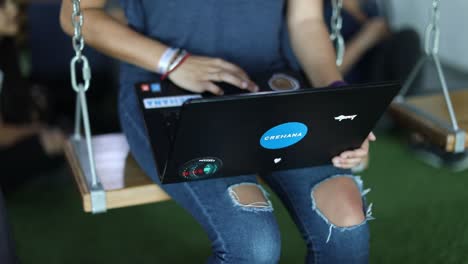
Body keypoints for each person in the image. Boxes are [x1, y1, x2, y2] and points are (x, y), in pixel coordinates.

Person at [60, 0, 376, 263]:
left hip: (269, 87)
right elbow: (77, 14)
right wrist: (173, 61)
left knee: (346, 217)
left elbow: (305, 22)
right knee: (253, 242)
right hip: (162, 86)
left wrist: (338, 100)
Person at [0, 0, 65, 192]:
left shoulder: (6, 47)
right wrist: (39, 130)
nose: (13, 9)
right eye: (2, 4)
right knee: (48, 143)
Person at [324, 0, 421, 86]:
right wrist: (363, 40)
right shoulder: (324, 11)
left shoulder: (371, 5)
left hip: (375, 74)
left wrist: (379, 31)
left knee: (408, 38)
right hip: (346, 79)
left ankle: (401, 97)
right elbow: (323, 72)